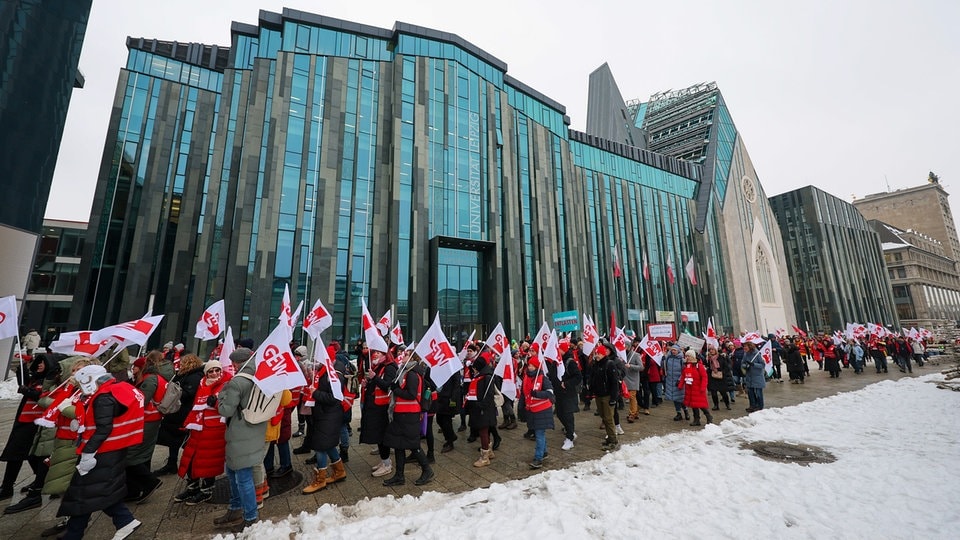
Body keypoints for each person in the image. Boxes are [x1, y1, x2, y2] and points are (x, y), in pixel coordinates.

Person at [58, 365, 144, 540]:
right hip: (109, 450)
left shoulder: (104, 397)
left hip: (100, 452)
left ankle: (123, 520)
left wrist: (89, 453)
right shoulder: (111, 391)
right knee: (91, 491)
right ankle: (77, 532)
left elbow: (103, 428)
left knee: (87, 492)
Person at [213, 348, 268, 532]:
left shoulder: (236, 383)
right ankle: (235, 508)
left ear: (237, 363)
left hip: (240, 434)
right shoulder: (262, 378)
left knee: (242, 477)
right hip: (255, 430)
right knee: (233, 472)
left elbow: (225, 410)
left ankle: (250, 517)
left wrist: (220, 396)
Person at [175, 359, 232, 505]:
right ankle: (192, 486)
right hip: (198, 426)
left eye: (217, 370)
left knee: (209, 460)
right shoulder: (201, 383)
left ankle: (207, 489)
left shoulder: (226, 384)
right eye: (210, 371)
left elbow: (229, 408)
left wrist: (216, 403)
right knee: (191, 457)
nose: (214, 373)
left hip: (214, 428)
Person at [1, 352, 54, 500]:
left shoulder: (51, 380)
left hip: (36, 423)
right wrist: (23, 366)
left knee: (26, 455)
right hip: (24, 421)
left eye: (42, 362)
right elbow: (24, 382)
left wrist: (28, 391)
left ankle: (36, 484)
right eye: (38, 362)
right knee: (22, 455)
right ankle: (10, 486)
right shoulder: (36, 378)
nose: (39, 365)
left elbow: (43, 397)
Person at [380, 354, 434, 487]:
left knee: (412, 444)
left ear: (413, 359)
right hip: (402, 413)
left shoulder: (412, 374)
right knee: (398, 444)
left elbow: (411, 394)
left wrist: (396, 390)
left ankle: (427, 470)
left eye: (406, 355)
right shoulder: (404, 372)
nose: (402, 356)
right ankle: (399, 475)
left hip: (409, 414)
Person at [301, 356, 348, 493]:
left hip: (329, 416)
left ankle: (320, 480)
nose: (315, 363)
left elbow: (334, 398)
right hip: (324, 415)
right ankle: (339, 472)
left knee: (320, 446)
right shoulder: (323, 373)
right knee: (328, 445)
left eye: (318, 360)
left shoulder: (334, 376)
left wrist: (315, 393)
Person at [124, 353, 166, 503]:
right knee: (144, 454)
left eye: (134, 366)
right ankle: (137, 488)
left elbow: (141, 401)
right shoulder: (154, 378)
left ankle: (148, 482)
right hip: (151, 419)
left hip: (147, 419)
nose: (132, 369)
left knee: (131, 455)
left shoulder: (149, 380)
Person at [155, 354, 204, 475]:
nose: (180, 364)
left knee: (179, 439)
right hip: (177, 411)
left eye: (183, 363)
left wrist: (175, 392)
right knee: (173, 440)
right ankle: (172, 463)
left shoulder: (194, 377)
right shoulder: (184, 375)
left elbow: (188, 394)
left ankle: (182, 465)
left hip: (182, 411)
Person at [360, 347, 398, 478]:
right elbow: (376, 384)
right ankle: (384, 461)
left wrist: (374, 378)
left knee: (382, 436)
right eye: (374, 352)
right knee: (378, 436)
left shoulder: (389, 367)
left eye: (378, 353)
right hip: (375, 407)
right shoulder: (378, 367)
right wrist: (367, 383)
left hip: (383, 408)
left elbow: (387, 385)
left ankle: (387, 464)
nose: (375, 355)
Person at [464, 355, 499, 467]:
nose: (473, 370)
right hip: (479, 408)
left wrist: (480, 405)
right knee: (484, 431)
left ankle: (484, 457)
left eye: (474, 368)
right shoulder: (479, 376)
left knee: (483, 431)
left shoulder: (487, 378)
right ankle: (489, 451)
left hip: (484, 410)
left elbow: (488, 395)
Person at [522, 356, 555, 469]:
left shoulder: (543, 378)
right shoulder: (527, 377)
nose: (529, 367)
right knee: (539, 433)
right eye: (528, 365)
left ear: (536, 367)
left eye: (531, 365)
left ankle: (538, 459)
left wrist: (537, 394)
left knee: (539, 434)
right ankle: (544, 452)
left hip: (542, 410)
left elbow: (550, 392)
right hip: (532, 410)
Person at [588, 345, 621, 451]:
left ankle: (613, 440)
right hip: (598, 395)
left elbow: (614, 383)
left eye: (599, 354)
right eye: (596, 354)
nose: (597, 356)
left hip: (607, 396)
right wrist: (590, 392)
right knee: (604, 417)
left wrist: (613, 398)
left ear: (604, 354)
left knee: (608, 418)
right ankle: (610, 437)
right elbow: (593, 379)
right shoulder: (595, 365)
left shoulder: (609, 364)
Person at [551, 341, 582, 451]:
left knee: (568, 415)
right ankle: (571, 432)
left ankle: (570, 438)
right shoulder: (556, 361)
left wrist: (567, 384)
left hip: (568, 393)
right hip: (559, 393)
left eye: (559, 349)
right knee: (559, 414)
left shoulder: (570, 362)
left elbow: (578, 377)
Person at [680, 350, 713, 426]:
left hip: (698, 388)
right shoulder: (686, 366)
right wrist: (680, 385)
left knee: (700, 404)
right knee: (693, 405)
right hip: (690, 388)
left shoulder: (699, 366)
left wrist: (703, 387)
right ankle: (696, 419)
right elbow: (683, 376)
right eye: (686, 356)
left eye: (688, 356)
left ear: (693, 357)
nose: (687, 358)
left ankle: (709, 417)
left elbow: (704, 377)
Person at [662, 343, 689, 422]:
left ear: (678, 351)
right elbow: (664, 368)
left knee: (681, 398)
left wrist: (680, 379)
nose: (673, 351)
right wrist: (663, 360)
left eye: (675, 350)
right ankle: (678, 413)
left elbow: (684, 371)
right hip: (670, 380)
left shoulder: (681, 359)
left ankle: (686, 411)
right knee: (674, 398)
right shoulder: (668, 358)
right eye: (672, 350)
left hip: (679, 381)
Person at [741, 341, 766, 412]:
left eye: (746, 346)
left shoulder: (757, 354)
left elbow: (762, 365)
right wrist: (745, 366)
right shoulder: (745, 354)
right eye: (744, 346)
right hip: (749, 376)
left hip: (757, 376)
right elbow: (742, 363)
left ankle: (759, 406)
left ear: (750, 346)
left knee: (758, 393)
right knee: (750, 393)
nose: (744, 348)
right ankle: (752, 405)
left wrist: (753, 364)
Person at [623, 340, 645, 423]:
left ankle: (632, 414)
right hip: (625, 379)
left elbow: (641, 367)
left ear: (629, 347)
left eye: (625, 346)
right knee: (630, 397)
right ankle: (635, 412)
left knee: (632, 397)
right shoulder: (622, 356)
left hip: (633, 380)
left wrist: (631, 366)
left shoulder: (635, 355)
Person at [705, 345, 732, 410]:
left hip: (721, 377)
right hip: (712, 377)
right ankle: (716, 405)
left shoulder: (721, 357)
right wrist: (709, 369)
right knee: (713, 393)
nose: (711, 351)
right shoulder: (708, 359)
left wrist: (721, 372)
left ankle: (727, 404)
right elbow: (706, 366)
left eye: (712, 349)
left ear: (715, 350)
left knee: (723, 392)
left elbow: (727, 367)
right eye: (710, 350)